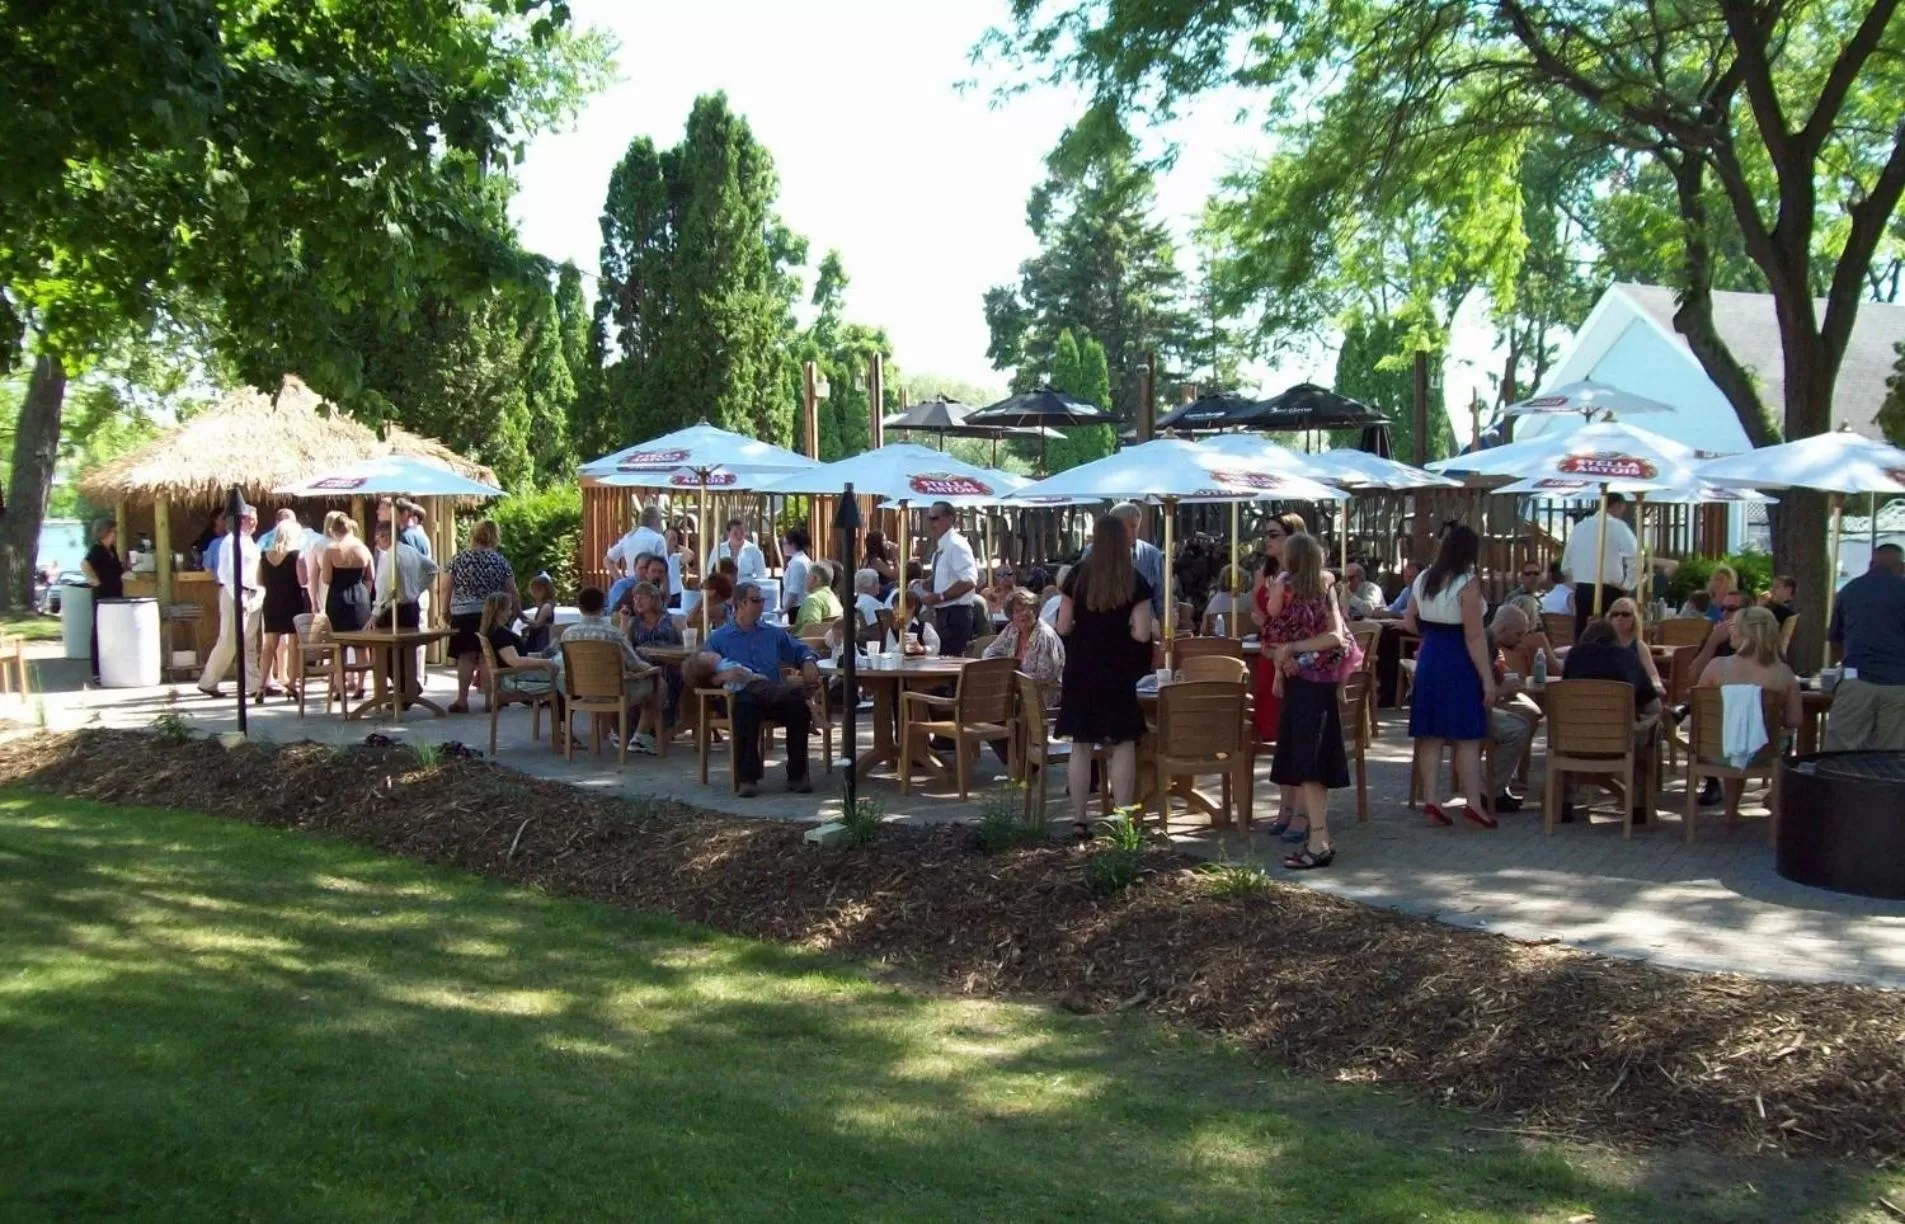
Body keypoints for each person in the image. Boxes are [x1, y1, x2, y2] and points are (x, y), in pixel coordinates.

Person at [1263, 533, 1358, 869]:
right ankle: (1322, 838)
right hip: (1305, 682)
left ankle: (1317, 842)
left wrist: (1292, 649)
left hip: (1313, 686)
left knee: (1311, 765)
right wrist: (1283, 658)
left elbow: (1335, 636)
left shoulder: (1319, 589)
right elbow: (1273, 626)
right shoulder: (1307, 588)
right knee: (1307, 764)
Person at [1055, 514, 1155, 834]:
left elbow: (1062, 626)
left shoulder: (1076, 576)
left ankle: (1079, 818)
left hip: (1082, 666)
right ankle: (1122, 821)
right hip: (1118, 669)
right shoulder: (1135, 580)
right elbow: (1141, 633)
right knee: (1123, 743)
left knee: (1081, 743)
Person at [1404, 523, 1497, 829]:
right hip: (1458, 658)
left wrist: (1430, 633)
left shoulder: (1423, 578)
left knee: (1430, 734)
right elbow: (1474, 635)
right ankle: (1473, 805)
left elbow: (1409, 620)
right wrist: (1487, 678)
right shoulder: (1467, 583)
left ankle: (1432, 801)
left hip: (1430, 654)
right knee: (1466, 736)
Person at [700, 580, 822, 796]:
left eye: (762, 599)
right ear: (740, 604)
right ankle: (747, 778)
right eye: (756, 600)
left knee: (797, 707)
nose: (762, 604)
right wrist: (722, 675)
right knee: (747, 705)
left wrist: (808, 660)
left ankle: (797, 775)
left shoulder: (772, 633)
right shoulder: (718, 638)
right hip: (738, 696)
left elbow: (799, 649)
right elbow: (700, 673)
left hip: (772, 696)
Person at [1696, 606, 1801, 823]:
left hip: (1717, 749)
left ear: (1747, 633)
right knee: (1758, 736)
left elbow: (1699, 709)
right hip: (1764, 752)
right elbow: (1795, 720)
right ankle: (1776, 796)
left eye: (1735, 626)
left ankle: (1730, 811)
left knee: (1736, 731)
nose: (1730, 630)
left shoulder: (1716, 667)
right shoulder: (1783, 673)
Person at [1560, 617, 1662, 823]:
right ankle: (1640, 805)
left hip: (1575, 742)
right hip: (1620, 742)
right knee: (1652, 732)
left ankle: (1564, 802)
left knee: (1564, 729)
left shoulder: (1574, 656)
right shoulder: (1627, 657)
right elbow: (1655, 707)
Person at [1826, 543, 1905, 751]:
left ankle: (1841, 774)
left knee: (1840, 751)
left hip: (1857, 679)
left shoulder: (1850, 590)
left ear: (1871, 564)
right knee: (1892, 754)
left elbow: (1835, 639)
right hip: (1899, 684)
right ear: (1902, 566)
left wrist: (1847, 665)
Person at [446, 520, 518, 713]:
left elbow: (447, 586)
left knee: (466, 655)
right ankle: (490, 700)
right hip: (490, 612)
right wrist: (517, 612)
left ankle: (462, 699)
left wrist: (445, 610)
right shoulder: (499, 560)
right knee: (488, 655)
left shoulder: (458, 559)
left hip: (462, 613)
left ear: (474, 535)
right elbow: (511, 589)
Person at [197, 503, 263, 698]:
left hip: (252, 593)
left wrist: (258, 593)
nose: (253, 522)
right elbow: (228, 574)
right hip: (235, 593)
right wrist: (239, 597)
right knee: (228, 640)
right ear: (240, 520)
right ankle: (208, 681)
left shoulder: (250, 542)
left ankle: (253, 685)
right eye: (250, 519)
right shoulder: (231, 541)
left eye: (255, 519)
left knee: (250, 642)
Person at [1484, 605, 1546, 812]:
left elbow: (1498, 672)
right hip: (1472, 709)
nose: (1521, 640)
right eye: (1519, 634)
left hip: (1483, 703)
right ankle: (1492, 790)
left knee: (1528, 714)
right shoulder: (1483, 643)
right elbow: (1477, 688)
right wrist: (1502, 689)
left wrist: (1509, 680)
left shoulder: (1490, 642)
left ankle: (1502, 784)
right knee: (1518, 727)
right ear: (1502, 629)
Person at [1561, 492, 1637, 639]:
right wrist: (1628, 584)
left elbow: (1566, 565)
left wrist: (1581, 578)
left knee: (1584, 636)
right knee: (1611, 637)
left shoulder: (1579, 527)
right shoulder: (1617, 526)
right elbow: (1635, 555)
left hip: (1583, 591)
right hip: (1610, 590)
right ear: (1618, 506)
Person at [916, 499, 981, 658]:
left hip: (956, 614)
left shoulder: (956, 545)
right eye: (929, 518)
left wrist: (940, 596)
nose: (931, 523)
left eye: (935, 518)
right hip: (944, 614)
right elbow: (949, 576)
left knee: (948, 662)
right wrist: (929, 582)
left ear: (950, 519)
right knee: (943, 660)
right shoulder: (943, 546)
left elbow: (969, 581)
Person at [255, 510, 308, 699]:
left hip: (271, 601)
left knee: (269, 645)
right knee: (294, 644)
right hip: (292, 601)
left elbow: (259, 581)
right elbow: (303, 581)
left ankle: (261, 686)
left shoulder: (264, 556)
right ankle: (292, 684)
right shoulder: (296, 555)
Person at [624, 580, 682, 749]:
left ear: (654, 599)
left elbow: (686, 647)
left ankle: (654, 731)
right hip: (643, 671)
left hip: (670, 668)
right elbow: (625, 649)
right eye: (635, 598)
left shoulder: (673, 620)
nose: (637, 601)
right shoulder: (634, 623)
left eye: (642, 597)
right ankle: (641, 733)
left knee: (675, 680)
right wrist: (623, 622)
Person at [479, 590, 556, 702]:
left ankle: (563, 708)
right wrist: (546, 662)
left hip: (513, 676)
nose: (510, 612)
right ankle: (566, 708)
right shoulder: (500, 634)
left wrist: (540, 656)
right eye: (509, 609)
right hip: (514, 679)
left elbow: (515, 656)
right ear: (500, 611)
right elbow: (514, 661)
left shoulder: (493, 630)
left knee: (557, 667)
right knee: (561, 675)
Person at [1103, 501, 1166, 619]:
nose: (1133, 532)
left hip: (1146, 624)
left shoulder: (1152, 555)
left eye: (1136, 526)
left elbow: (1161, 600)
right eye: (1128, 526)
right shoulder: (1094, 554)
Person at [81, 517, 124, 684]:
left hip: (115, 594)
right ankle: (97, 671)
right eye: (113, 532)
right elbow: (85, 564)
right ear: (105, 532)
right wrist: (94, 580)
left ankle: (110, 667)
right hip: (102, 596)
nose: (115, 535)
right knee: (99, 630)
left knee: (112, 631)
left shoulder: (111, 550)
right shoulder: (97, 550)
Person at [1606, 596, 1666, 694]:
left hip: (1633, 694)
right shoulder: (1603, 644)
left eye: (1625, 614)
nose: (1619, 618)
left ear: (1634, 618)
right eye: (1615, 614)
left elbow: (1653, 674)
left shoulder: (1639, 646)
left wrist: (1657, 685)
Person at [606, 503, 669, 583]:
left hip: (632, 585)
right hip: (651, 586)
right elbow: (664, 570)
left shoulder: (628, 537)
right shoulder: (658, 539)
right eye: (660, 520)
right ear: (655, 520)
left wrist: (621, 581)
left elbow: (608, 560)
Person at [706, 516, 767, 584]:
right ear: (728, 533)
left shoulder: (754, 551)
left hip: (747, 586)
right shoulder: (718, 550)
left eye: (742, 532)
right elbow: (709, 572)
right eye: (735, 533)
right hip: (724, 586)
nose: (739, 535)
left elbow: (762, 575)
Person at [794, 560, 842, 631]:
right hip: (827, 636)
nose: (805, 579)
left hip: (805, 637)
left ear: (815, 579)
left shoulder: (813, 600)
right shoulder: (834, 598)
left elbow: (812, 629)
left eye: (808, 576)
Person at [1202, 566, 1250, 634]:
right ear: (1240, 581)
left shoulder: (1213, 601)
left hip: (1218, 640)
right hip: (1242, 640)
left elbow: (1203, 629)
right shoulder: (1247, 599)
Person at [780, 527, 812, 619]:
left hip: (797, 609)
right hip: (800, 607)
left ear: (793, 544)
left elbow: (794, 591)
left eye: (784, 543)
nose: (783, 547)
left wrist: (784, 610)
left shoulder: (797, 563)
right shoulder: (803, 559)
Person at [522, 575, 557, 654]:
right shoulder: (544, 605)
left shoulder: (546, 606)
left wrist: (525, 620)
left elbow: (538, 623)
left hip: (541, 637)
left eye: (535, 590)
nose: (533, 593)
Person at [864, 529, 897, 595]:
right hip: (876, 594)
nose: (887, 542)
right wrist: (894, 556)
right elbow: (896, 575)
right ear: (877, 544)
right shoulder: (875, 561)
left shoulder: (871, 557)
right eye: (884, 540)